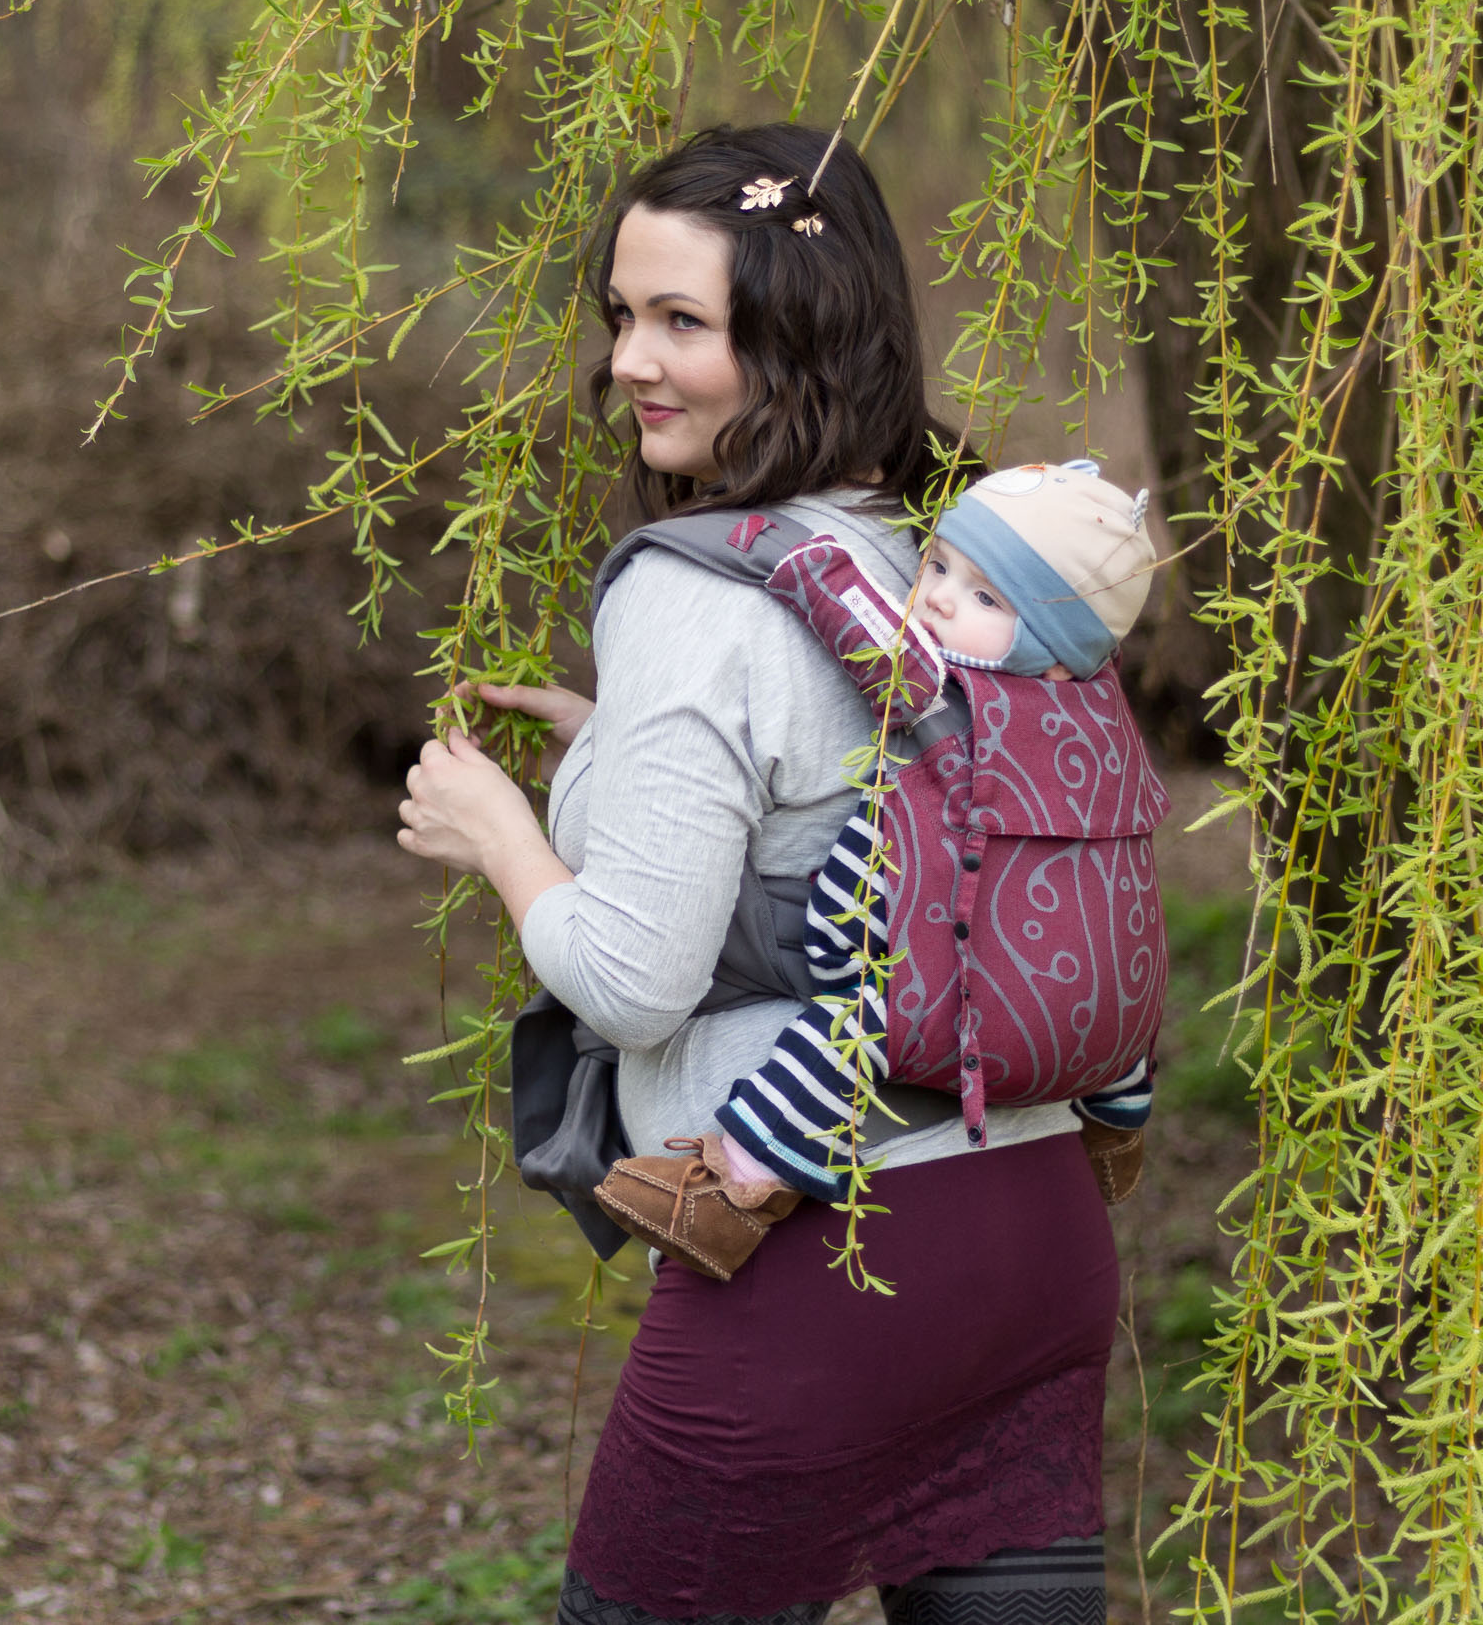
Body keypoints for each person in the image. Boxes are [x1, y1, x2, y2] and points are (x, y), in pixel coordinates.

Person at [398, 123, 1119, 1625]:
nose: (628, 363)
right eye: (620, 315)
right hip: (1037, 1227)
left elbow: (633, 981)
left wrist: (501, 835)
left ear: (799, 333)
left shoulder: (691, 595)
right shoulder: (947, 551)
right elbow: (870, 803)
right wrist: (613, 747)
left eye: (683, 321)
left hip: (824, 1248)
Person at [594, 461, 1162, 1280]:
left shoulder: (957, 694)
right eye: (940, 566)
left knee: (850, 1034)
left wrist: (786, 556)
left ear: (1057, 653)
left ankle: (734, 1192)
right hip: (1081, 979)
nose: (939, 599)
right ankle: (1117, 1131)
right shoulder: (1103, 716)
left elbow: (863, 629)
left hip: (936, 955)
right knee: (1120, 1021)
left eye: (986, 597)